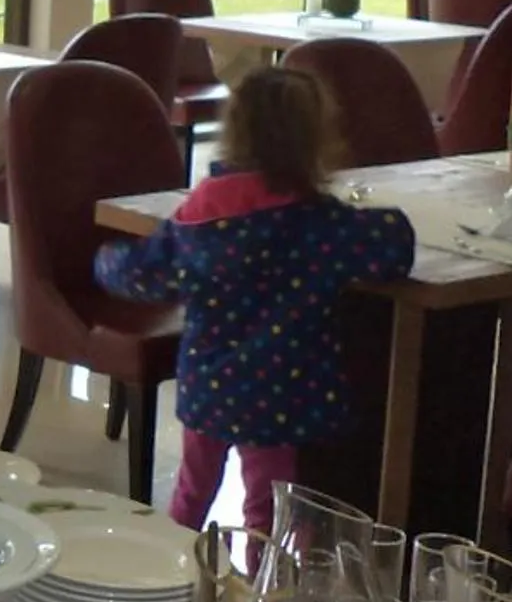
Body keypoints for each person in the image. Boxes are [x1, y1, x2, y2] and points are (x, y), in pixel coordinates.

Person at [94, 66, 414, 531]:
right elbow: (396, 244)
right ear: (315, 138)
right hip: (282, 396)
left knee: (192, 491)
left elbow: (145, 273)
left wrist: (105, 258)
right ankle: (265, 594)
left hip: (210, 388)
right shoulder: (323, 223)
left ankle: (172, 574)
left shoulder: (202, 212)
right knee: (269, 509)